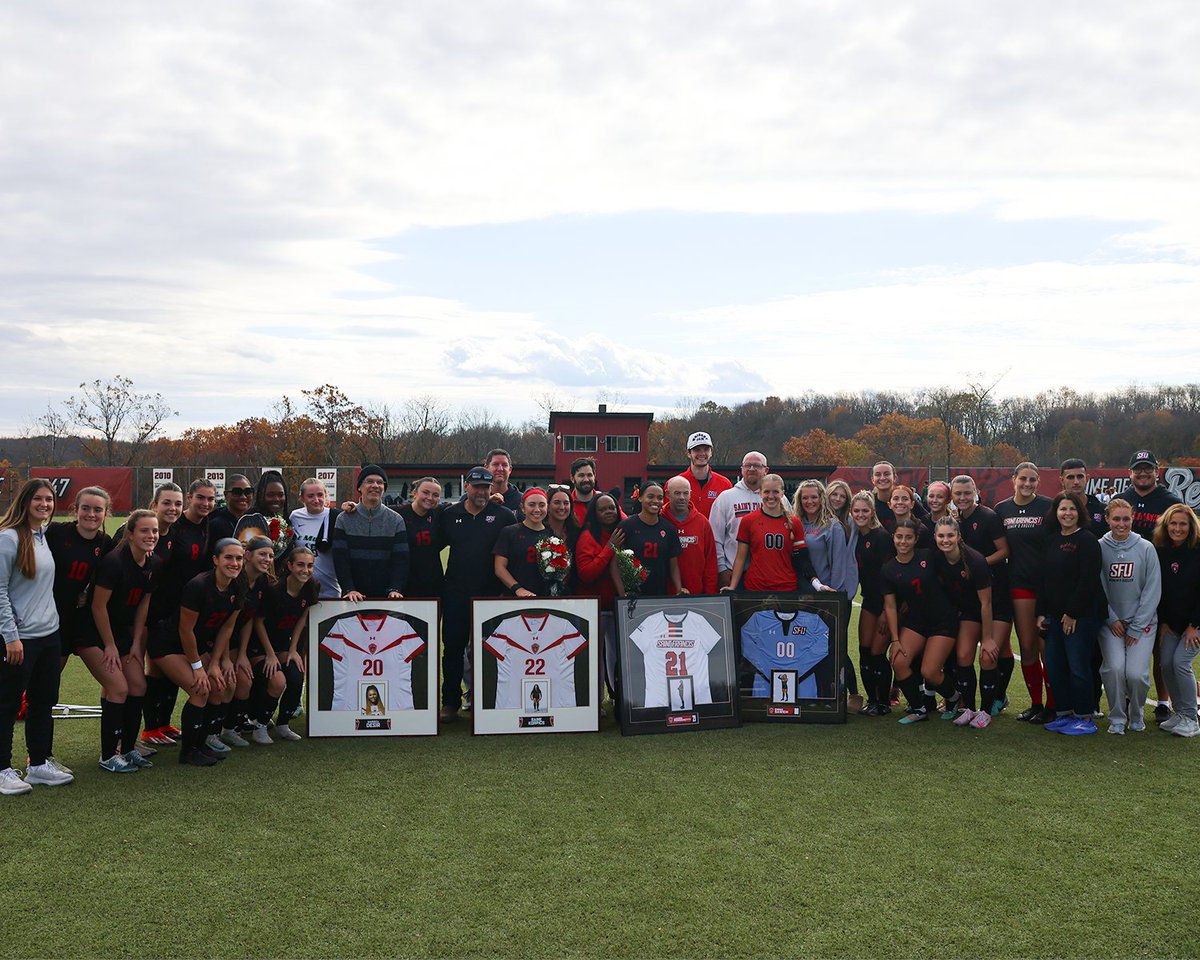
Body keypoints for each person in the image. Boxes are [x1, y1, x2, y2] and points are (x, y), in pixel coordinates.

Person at [147, 538, 245, 766]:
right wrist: (198, 667)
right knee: (200, 689)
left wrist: (214, 663)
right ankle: (188, 752)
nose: (234, 563)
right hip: (168, 643)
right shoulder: (199, 586)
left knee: (218, 687)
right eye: (228, 557)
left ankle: (201, 744)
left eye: (239, 558)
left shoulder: (239, 585)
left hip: (196, 645)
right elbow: (185, 629)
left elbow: (226, 628)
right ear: (215, 560)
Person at [0, 479, 71, 794]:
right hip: (19, 640)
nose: (45, 504)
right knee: (7, 704)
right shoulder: (9, 539)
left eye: (50, 500)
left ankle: (39, 764)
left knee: (43, 702)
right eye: (39, 499)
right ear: (25, 501)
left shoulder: (42, 536)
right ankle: (2, 769)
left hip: (48, 635)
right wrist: (10, 636)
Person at [83, 509, 162, 772]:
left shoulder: (153, 563)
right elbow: (97, 607)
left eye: (155, 531)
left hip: (123, 634)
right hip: (94, 633)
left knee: (138, 685)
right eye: (144, 530)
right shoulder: (114, 562)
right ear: (129, 534)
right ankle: (108, 756)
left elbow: (144, 605)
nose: (151, 535)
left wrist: (138, 642)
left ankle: (128, 749)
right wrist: (110, 645)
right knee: (119, 688)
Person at [437, 467, 518, 721]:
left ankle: (492, 699)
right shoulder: (450, 514)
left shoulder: (503, 515)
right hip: (456, 593)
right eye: (477, 486)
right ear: (466, 487)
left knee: (492, 649)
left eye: (486, 486)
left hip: (491, 594)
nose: (482, 491)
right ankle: (450, 702)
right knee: (452, 649)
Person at [1112, 450, 1183, 722]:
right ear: (1129, 472)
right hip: (1125, 584)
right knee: (1126, 645)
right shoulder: (1124, 501)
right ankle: (1129, 697)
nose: (1143, 473)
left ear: (1157, 471)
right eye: (1137, 469)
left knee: (1159, 647)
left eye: (1148, 468)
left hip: (1161, 582)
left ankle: (1163, 701)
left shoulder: (1170, 501)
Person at [881, 519, 961, 724]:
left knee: (930, 672)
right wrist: (895, 639)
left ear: (916, 539)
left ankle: (954, 698)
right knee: (898, 660)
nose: (903, 541)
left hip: (942, 620)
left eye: (908, 537)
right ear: (893, 538)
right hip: (916, 621)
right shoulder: (889, 569)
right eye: (899, 537)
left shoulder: (929, 556)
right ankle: (919, 708)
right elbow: (890, 606)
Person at [1037, 493, 1104, 736]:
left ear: (1079, 512)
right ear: (1055, 512)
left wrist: (1073, 613)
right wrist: (1041, 613)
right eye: (1062, 509)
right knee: (1054, 666)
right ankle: (1064, 714)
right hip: (1053, 618)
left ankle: (1084, 716)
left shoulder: (1087, 540)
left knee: (1078, 667)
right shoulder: (1051, 540)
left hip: (1081, 618)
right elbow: (1044, 580)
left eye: (1072, 509)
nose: (1067, 513)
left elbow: (1088, 581)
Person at [952, 474, 1017, 720]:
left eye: (967, 493)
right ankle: (969, 708)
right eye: (957, 494)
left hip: (996, 594)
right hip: (970, 599)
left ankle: (991, 705)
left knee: (991, 654)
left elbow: (1004, 551)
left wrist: (977, 565)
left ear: (976, 492)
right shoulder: (955, 521)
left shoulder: (989, 517)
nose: (962, 498)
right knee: (964, 655)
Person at [993, 464, 1054, 722]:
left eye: (1032, 480)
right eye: (1023, 479)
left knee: (1047, 649)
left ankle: (1053, 705)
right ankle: (1036, 704)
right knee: (1027, 646)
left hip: (1049, 585)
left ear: (1038, 482)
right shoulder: (1002, 509)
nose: (1027, 484)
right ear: (1014, 480)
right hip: (1019, 583)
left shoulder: (1049, 506)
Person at [1099, 499, 1162, 735]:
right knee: (1114, 668)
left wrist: (1137, 626)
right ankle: (1117, 717)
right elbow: (1098, 587)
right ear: (1107, 519)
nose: (1121, 523)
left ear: (1133, 518)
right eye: (1116, 518)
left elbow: (1152, 589)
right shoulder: (1100, 547)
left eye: (1126, 518)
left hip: (1141, 624)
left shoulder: (1145, 548)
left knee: (1136, 674)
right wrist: (1111, 618)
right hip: (1111, 624)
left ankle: (1136, 714)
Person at [931, 516, 996, 729]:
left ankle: (985, 711)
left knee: (986, 656)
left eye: (950, 535)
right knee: (963, 657)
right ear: (935, 537)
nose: (945, 540)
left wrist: (987, 638)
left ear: (959, 536)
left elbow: (986, 603)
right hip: (962, 612)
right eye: (941, 536)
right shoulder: (937, 558)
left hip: (982, 610)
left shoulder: (975, 561)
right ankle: (969, 707)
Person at [250, 545, 318, 742]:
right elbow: (258, 622)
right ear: (289, 565)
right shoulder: (274, 590)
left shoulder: (312, 586)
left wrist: (293, 649)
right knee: (278, 680)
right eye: (300, 565)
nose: (305, 570)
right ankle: (260, 726)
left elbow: (301, 619)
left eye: (310, 566)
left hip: (282, 645)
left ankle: (283, 724)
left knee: (297, 675)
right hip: (260, 646)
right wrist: (270, 654)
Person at [46, 486, 113, 678]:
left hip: (72, 618)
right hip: (44, 615)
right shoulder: (55, 532)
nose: (91, 514)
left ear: (106, 513)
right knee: (31, 678)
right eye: (85, 508)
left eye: (98, 510)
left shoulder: (105, 543)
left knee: (50, 679)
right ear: (75, 510)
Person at [723, 475, 824, 594]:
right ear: (760, 493)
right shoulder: (748, 521)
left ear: (782, 493)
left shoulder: (794, 522)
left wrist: (817, 585)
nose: (771, 496)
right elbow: (740, 558)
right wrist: (733, 586)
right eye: (766, 492)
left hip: (786, 587)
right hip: (756, 587)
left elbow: (803, 560)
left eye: (775, 492)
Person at [221, 536, 276, 750]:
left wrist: (242, 654)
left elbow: (249, 620)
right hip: (216, 638)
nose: (267, 559)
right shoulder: (235, 579)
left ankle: (230, 728)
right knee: (229, 681)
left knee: (244, 680)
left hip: (237, 640)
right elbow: (224, 624)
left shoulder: (263, 581)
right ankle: (212, 732)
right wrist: (225, 658)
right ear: (248, 555)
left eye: (271, 555)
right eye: (262, 554)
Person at [1152, 504, 1200, 736]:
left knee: (1181, 662)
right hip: (1171, 623)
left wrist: (1194, 625)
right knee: (1166, 664)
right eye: (1173, 523)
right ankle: (1179, 712)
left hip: (1195, 623)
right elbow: (1159, 590)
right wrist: (1163, 622)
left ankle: (1191, 717)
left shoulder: (1198, 550)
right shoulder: (1160, 550)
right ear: (1166, 525)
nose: (1177, 528)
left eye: (1183, 524)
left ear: (1191, 526)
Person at [332, 464, 409, 602]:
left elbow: (400, 560)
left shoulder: (396, 520)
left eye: (380, 482)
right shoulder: (343, 519)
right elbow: (340, 559)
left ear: (384, 488)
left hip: (387, 598)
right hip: (353, 599)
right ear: (360, 487)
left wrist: (395, 588)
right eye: (369, 481)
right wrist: (349, 588)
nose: (375, 485)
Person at [575, 494, 624, 701]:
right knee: (594, 656)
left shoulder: (623, 532)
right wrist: (609, 548)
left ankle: (617, 696)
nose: (608, 512)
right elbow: (587, 574)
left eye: (611, 508)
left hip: (618, 606)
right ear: (594, 514)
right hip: (594, 607)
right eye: (602, 509)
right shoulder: (587, 537)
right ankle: (595, 701)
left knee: (617, 655)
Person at [850, 492, 895, 715]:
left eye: (864, 511)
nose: (860, 515)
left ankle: (884, 702)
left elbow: (890, 576)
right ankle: (872, 700)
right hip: (869, 600)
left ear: (872, 512)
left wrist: (888, 612)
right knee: (865, 651)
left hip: (886, 603)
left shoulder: (882, 537)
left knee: (878, 652)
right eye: (856, 511)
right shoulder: (854, 537)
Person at [611, 483, 683, 598]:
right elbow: (614, 562)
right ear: (640, 498)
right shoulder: (627, 526)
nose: (655, 501)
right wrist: (621, 593)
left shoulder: (669, 529)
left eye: (659, 498)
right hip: (632, 596)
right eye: (650, 496)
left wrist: (679, 588)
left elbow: (673, 564)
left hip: (659, 595)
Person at [710, 451, 768, 588]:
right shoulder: (726, 498)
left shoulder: (776, 498)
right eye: (748, 465)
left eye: (757, 465)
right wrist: (721, 569)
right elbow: (715, 538)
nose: (752, 469)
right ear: (741, 469)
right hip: (734, 573)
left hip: (767, 574)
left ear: (766, 470)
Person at [494, 489, 559, 598]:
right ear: (523, 508)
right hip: (515, 598)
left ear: (547, 508)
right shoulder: (509, 532)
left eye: (542, 505)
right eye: (532, 505)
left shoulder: (552, 536)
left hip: (545, 599)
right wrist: (517, 588)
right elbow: (499, 568)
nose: (537, 509)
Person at [662, 477, 717, 595]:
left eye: (685, 493)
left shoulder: (702, 522)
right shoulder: (658, 520)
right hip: (662, 595)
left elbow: (710, 562)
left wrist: (710, 594)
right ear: (667, 494)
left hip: (696, 594)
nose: (682, 497)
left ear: (690, 494)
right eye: (677, 493)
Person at [288, 477, 341, 599]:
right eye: (310, 496)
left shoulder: (336, 517)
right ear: (302, 498)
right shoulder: (295, 517)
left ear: (326, 495)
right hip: (301, 589)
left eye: (320, 495)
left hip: (330, 589)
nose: (316, 500)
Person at [233, 471, 293, 568]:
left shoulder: (285, 521)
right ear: (261, 495)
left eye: (280, 495)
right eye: (270, 495)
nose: (276, 499)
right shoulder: (250, 520)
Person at [672, 431, 732, 519]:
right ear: (689, 453)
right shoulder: (674, 483)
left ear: (711, 452)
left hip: (714, 533)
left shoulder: (725, 484)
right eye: (697, 450)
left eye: (706, 449)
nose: (702, 453)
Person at [1059, 459, 1108, 536]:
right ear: (1062, 480)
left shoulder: (1102, 510)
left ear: (1087, 478)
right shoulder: (1054, 511)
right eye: (1071, 477)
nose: (1076, 482)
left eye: (1080, 477)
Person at [208, 474, 254, 543]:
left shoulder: (254, 521)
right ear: (226, 495)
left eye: (248, 492)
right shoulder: (216, 525)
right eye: (237, 492)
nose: (243, 497)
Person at [569, 457, 600, 526]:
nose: (586, 479)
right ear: (572, 478)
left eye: (589, 475)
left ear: (594, 476)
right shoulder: (567, 505)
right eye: (581, 475)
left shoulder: (605, 502)